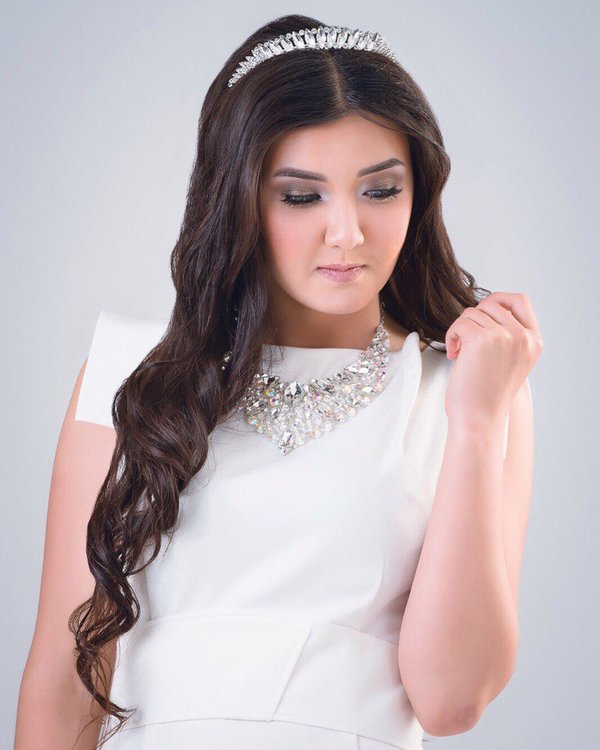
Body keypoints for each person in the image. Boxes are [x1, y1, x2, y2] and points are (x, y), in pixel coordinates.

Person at [14, 13, 542, 750]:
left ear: (418, 194)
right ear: (238, 199)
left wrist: (478, 420)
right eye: (301, 196)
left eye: (380, 190)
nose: (347, 233)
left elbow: (451, 700)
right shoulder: (130, 374)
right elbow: (62, 675)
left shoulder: (465, 390)